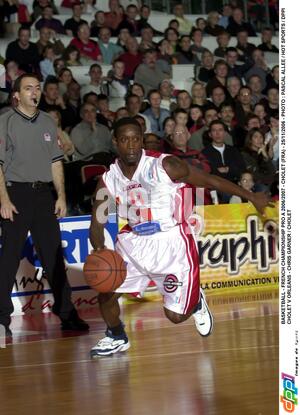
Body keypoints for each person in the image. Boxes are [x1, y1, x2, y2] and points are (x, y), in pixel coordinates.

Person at [88, 117, 272, 357]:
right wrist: (100, 248)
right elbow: (97, 220)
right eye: (125, 140)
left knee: (175, 316)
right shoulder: (109, 178)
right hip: (133, 242)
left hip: (171, 241)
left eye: (136, 139)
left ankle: (195, 301)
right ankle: (116, 336)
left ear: (142, 140)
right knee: (106, 293)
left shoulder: (165, 165)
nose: (131, 145)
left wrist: (251, 196)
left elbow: (210, 181)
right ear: (115, 142)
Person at [0, 73, 89, 337]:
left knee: (53, 257)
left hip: (43, 196)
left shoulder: (48, 122)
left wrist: (60, 196)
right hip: (16, 195)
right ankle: (2, 318)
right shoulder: (4, 122)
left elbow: (55, 162)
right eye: (29, 89)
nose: (35, 92)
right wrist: (3, 199)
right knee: (9, 259)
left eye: (37, 88)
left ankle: (67, 313)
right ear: (16, 95)